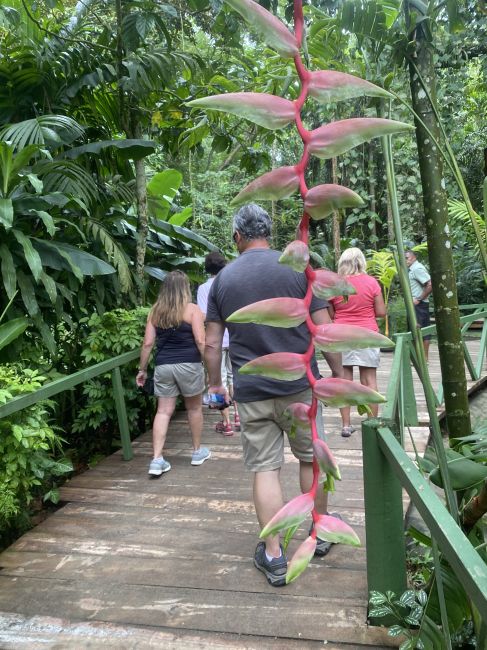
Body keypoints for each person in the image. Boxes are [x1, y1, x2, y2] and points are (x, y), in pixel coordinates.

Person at [204, 203, 342, 587]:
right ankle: (319, 533)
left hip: (252, 391)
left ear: (237, 237)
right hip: (300, 385)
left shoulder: (223, 280)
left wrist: (215, 385)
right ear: (268, 231)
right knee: (309, 459)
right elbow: (324, 327)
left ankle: (275, 554)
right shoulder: (296, 267)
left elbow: (213, 344)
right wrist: (338, 372)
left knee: (265, 468)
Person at [136, 270, 211, 475]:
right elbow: (201, 341)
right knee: (194, 408)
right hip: (189, 364)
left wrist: (142, 370)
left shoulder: (155, 311)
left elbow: (148, 343)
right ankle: (197, 452)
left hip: (163, 366)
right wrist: (209, 367)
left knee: (163, 411)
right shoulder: (192, 310)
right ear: (185, 288)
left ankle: (157, 459)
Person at [328, 248, 386, 437]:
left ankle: (346, 425)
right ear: (361, 262)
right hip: (366, 334)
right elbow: (381, 312)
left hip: (341, 335)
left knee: (344, 381)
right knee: (369, 380)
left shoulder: (335, 285)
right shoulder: (372, 283)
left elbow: (330, 314)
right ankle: (371, 424)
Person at [197, 252, 240, 436]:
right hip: (234, 337)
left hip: (215, 341)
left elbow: (203, 316)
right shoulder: (230, 284)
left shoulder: (203, 288)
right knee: (233, 378)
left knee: (216, 380)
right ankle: (238, 416)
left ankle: (226, 422)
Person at [404, 249, 432, 361]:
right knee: (421, 330)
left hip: (418, 306)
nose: (405, 260)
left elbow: (430, 284)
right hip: (418, 305)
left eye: (407, 258)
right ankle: (421, 359)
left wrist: (419, 299)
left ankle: (421, 359)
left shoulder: (417, 268)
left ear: (414, 257)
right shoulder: (413, 269)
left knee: (419, 331)